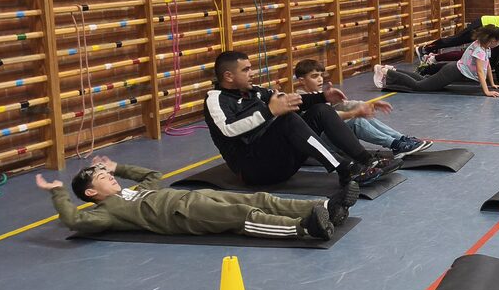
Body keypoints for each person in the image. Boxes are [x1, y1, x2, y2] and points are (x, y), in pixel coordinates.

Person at [39, 154, 357, 242]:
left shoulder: (128, 191)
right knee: (242, 217)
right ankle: (304, 227)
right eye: (102, 178)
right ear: (91, 193)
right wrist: (57, 191)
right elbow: (73, 219)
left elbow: (153, 177)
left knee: (258, 199)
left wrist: (119, 167)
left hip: (195, 197)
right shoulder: (106, 211)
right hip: (185, 217)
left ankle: (323, 206)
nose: (109, 177)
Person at [205, 51, 394, 188]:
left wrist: (322, 97)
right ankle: (346, 170)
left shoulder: (254, 91)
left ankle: (366, 160)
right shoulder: (215, 99)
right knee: (288, 119)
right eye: (246, 70)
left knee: (321, 110)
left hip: (281, 160)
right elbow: (228, 130)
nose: (252, 73)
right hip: (255, 170)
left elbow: (290, 100)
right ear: (228, 76)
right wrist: (269, 111)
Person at [293, 59, 431, 155]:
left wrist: (367, 105)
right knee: (356, 121)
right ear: (301, 81)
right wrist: (355, 113)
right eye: (314, 76)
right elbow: (329, 117)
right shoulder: (299, 100)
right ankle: (395, 145)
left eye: (321, 75)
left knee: (365, 116)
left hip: (330, 137)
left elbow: (343, 104)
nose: (320, 79)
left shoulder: (320, 95)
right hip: (318, 145)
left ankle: (401, 139)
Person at [375, 25, 499, 97]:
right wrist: (486, 91)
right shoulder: (480, 51)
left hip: (453, 69)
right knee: (419, 87)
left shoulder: (483, 46)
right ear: (492, 40)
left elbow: (487, 66)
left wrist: (492, 84)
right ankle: (386, 72)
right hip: (452, 72)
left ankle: (392, 70)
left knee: (422, 80)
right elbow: (480, 71)